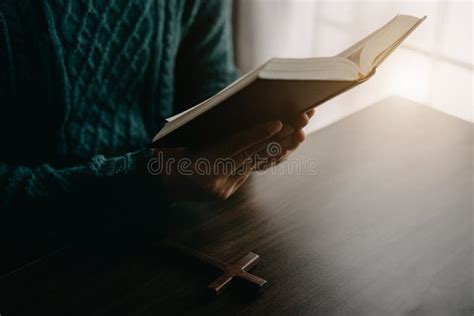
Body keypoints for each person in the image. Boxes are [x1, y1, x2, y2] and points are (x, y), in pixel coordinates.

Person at [0, 0, 314, 271]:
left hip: (172, 227)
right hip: (35, 258)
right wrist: (149, 180)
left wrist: (249, 130)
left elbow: (209, 80)